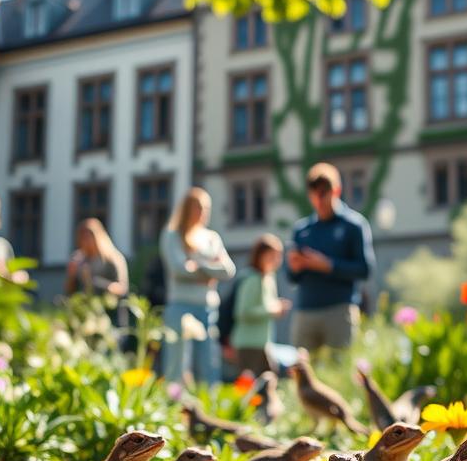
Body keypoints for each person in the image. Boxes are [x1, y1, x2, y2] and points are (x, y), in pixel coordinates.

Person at [286, 162, 375, 352]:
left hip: (339, 310)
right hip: (306, 310)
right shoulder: (302, 229)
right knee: (302, 373)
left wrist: (328, 265)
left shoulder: (354, 225)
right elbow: (291, 277)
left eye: (323, 193)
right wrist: (295, 266)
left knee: (339, 370)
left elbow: (365, 269)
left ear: (336, 190)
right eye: (314, 194)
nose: (319, 200)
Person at [161, 187, 235, 385]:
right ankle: (173, 403)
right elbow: (178, 269)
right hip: (180, 305)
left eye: (206, 208)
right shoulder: (172, 236)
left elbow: (228, 270)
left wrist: (198, 264)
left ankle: (209, 406)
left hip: (207, 306)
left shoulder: (212, 238)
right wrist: (210, 266)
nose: (203, 213)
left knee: (209, 361)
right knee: (177, 362)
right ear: (187, 209)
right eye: (198, 207)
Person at [231, 234, 292, 376]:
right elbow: (242, 312)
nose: (276, 260)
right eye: (272, 256)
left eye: (278, 256)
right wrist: (272, 309)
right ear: (260, 255)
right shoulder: (252, 278)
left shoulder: (269, 278)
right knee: (249, 386)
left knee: (269, 383)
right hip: (249, 343)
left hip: (264, 342)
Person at [65, 217, 130, 330]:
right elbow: (69, 292)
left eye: (87, 237)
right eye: (82, 238)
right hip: (86, 318)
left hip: (111, 318)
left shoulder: (112, 259)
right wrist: (71, 275)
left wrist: (95, 282)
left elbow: (122, 289)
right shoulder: (79, 261)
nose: (84, 242)